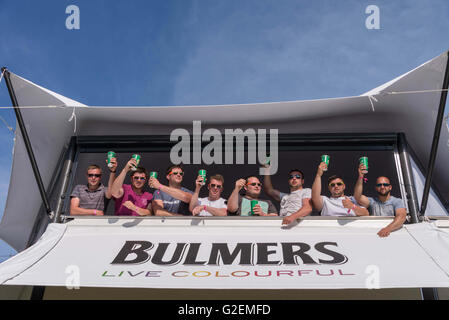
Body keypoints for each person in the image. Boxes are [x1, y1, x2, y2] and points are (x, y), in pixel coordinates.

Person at [354, 163, 407, 237]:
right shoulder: (372, 201)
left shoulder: (397, 201)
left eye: (385, 185)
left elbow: (401, 217)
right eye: (379, 185)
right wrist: (360, 176)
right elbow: (357, 197)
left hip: (392, 233)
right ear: (376, 188)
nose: (382, 187)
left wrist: (388, 229)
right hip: (374, 233)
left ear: (390, 187)